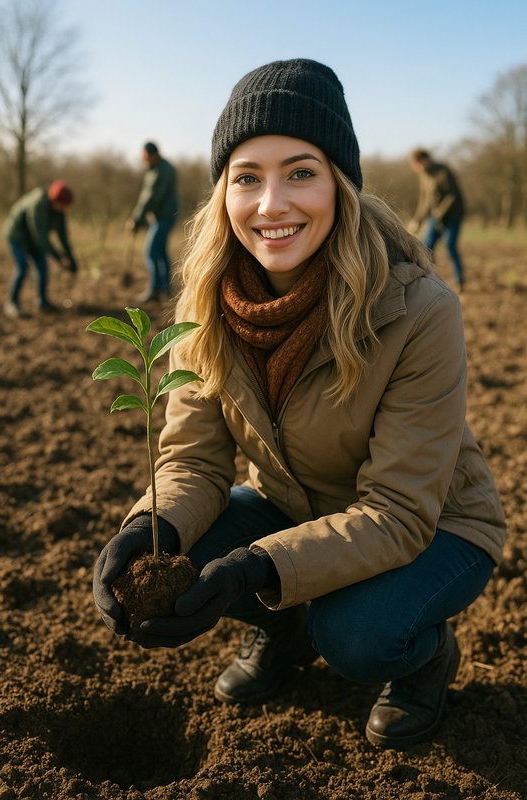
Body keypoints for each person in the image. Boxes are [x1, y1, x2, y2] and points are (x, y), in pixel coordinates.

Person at [93, 59, 506, 749]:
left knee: (355, 636)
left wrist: (257, 567)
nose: (271, 204)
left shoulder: (417, 310)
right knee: (189, 545)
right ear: (223, 192)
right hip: (297, 509)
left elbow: (398, 510)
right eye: (247, 177)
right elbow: (193, 462)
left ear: (339, 184)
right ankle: (281, 629)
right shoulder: (205, 308)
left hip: (434, 524)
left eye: (301, 172)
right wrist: (147, 532)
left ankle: (426, 658)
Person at [3, 180, 78, 318]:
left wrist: (72, 259)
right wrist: (59, 258)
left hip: (34, 240)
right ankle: (12, 303)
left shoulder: (60, 212)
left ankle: (43, 303)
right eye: (63, 205)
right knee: (23, 267)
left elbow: (63, 238)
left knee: (43, 268)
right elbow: (41, 238)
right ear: (55, 201)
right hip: (17, 236)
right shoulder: (38, 204)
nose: (65, 209)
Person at [126, 141, 179, 303]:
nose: (143, 159)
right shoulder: (155, 169)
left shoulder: (163, 170)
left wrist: (136, 219)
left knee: (151, 251)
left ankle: (156, 288)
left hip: (165, 216)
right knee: (161, 251)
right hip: (160, 216)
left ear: (152, 154)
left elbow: (151, 197)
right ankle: (166, 288)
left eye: (145, 156)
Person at [408, 148, 466, 291]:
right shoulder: (424, 176)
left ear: (425, 160)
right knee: (426, 248)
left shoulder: (443, 171)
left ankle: (460, 281)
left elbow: (451, 196)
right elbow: (424, 201)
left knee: (450, 245)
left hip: (452, 216)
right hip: (435, 217)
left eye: (417, 164)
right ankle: (432, 281)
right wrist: (417, 220)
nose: (416, 168)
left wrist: (439, 213)